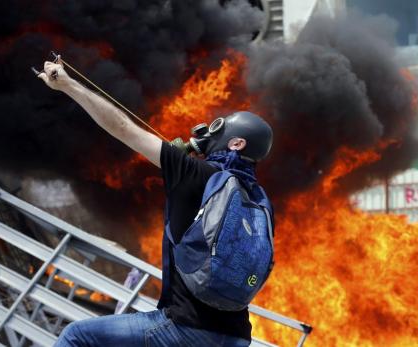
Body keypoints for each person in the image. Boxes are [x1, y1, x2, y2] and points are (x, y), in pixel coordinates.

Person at [38, 57, 273, 347]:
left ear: (237, 144)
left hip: (184, 328)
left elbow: (123, 128)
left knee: (77, 336)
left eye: (218, 129)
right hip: (235, 338)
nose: (209, 134)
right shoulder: (260, 201)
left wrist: (68, 85)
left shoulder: (194, 172)